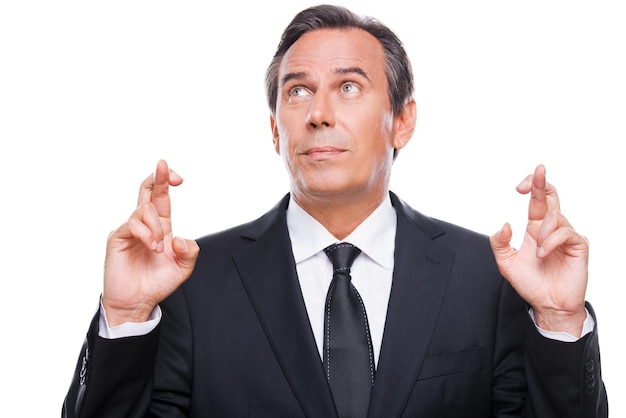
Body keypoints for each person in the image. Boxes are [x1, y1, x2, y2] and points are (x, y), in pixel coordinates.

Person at [62, 4, 608, 417]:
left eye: (349, 86)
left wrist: (558, 323)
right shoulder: (192, 279)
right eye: (298, 92)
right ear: (275, 129)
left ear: (403, 120)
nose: (319, 113)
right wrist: (129, 319)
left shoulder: (487, 275)